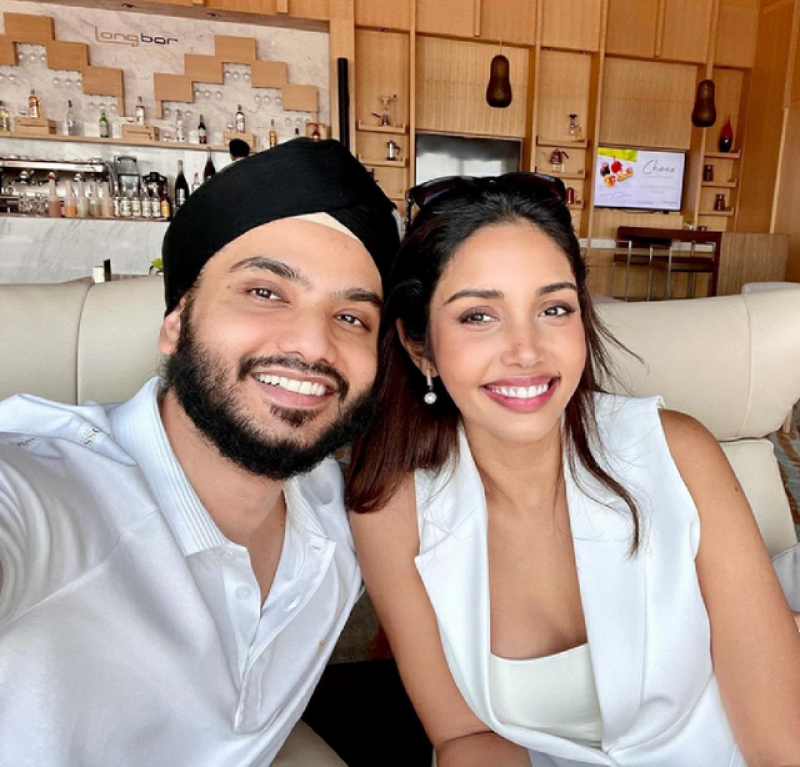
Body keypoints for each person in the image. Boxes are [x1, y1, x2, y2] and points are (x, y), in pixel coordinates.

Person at [347, 173, 800, 766]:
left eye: (554, 308)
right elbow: (466, 737)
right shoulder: (392, 509)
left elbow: (779, 737)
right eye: (479, 316)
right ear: (419, 346)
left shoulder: (680, 456)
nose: (527, 351)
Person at [0, 138, 400, 765]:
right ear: (176, 322)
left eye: (352, 318)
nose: (312, 345)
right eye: (265, 292)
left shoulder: (343, 516)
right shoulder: (53, 488)